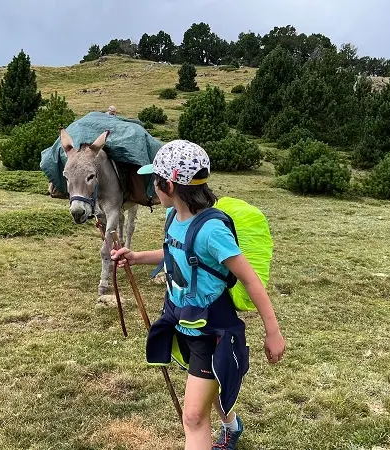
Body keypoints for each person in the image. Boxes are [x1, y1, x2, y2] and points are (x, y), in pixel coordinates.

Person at [111, 140, 286, 450]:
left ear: (169, 184)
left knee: (192, 416)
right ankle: (232, 426)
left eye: (156, 180)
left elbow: (250, 280)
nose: (152, 187)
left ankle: (225, 428)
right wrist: (136, 257)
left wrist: (273, 332)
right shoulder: (173, 219)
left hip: (213, 332)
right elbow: (176, 255)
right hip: (183, 322)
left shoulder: (211, 230)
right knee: (207, 390)